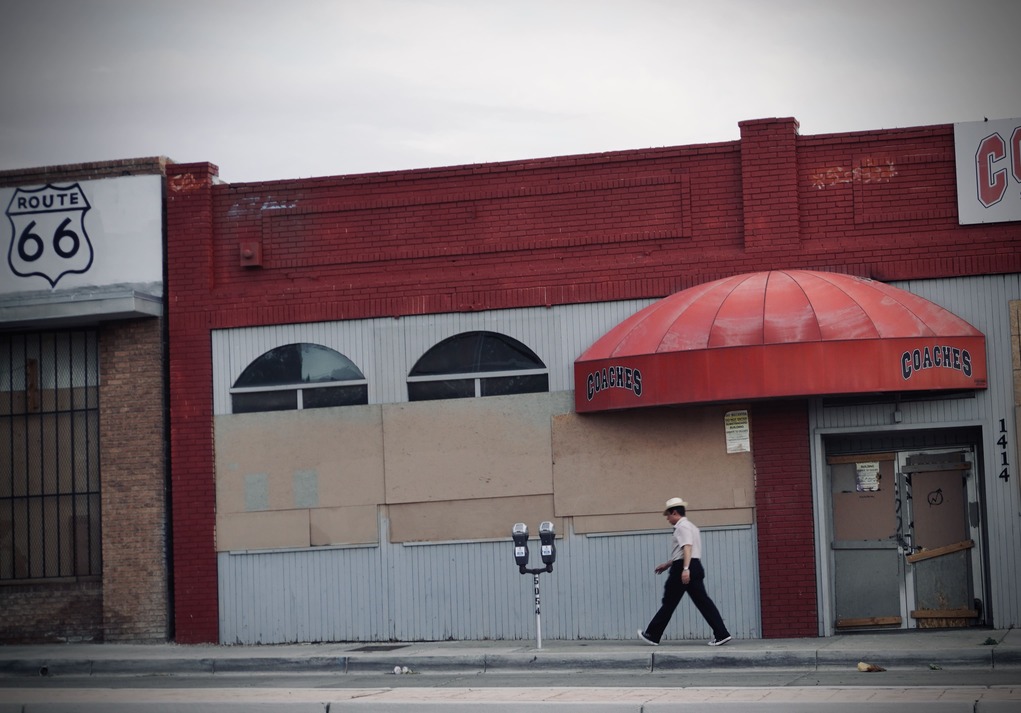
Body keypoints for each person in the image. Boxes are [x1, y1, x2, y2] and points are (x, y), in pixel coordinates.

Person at [638, 497, 732, 646]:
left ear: (674, 513)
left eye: (668, 515)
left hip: (684, 568)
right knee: (703, 602)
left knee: (669, 601)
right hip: (693, 565)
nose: (667, 519)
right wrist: (668, 564)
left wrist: (685, 569)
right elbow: (687, 551)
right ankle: (722, 634)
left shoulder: (682, 527)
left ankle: (652, 634)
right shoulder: (692, 527)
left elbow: (687, 547)